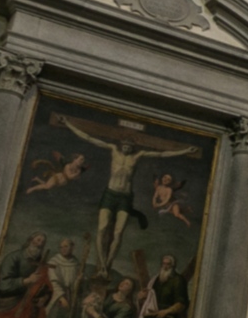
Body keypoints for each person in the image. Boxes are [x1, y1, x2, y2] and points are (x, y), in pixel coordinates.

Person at [52, 115, 197, 270]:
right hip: (110, 194)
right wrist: (68, 123)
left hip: (125, 197)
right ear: (121, 145)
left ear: (133, 147)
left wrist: (185, 150)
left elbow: (161, 154)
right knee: (102, 229)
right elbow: (89, 138)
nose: (127, 147)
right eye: (125, 144)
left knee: (119, 233)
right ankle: (102, 264)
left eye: (130, 145)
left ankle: (107, 265)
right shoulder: (114, 150)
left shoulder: (137, 156)